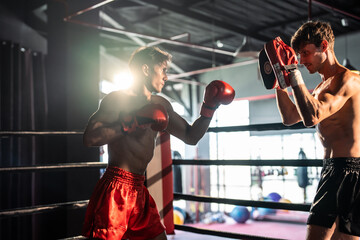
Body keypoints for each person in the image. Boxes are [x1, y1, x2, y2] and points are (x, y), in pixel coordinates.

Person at [81, 46, 235, 240]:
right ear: (146, 69)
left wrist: (209, 109)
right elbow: (90, 138)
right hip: (116, 187)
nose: (166, 76)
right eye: (163, 70)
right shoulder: (117, 100)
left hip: (139, 190)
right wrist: (130, 124)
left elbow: (191, 136)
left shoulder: (161, 105)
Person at [264, 21, 360, 240]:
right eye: (299, 55)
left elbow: (313, 116)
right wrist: (279, 83)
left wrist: (293, 73)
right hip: (331, 170)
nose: (301, 60)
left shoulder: (349, 80)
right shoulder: (319, 88)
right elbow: (290, 117)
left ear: (324, 46)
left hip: (352, 173)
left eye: (305, 53)